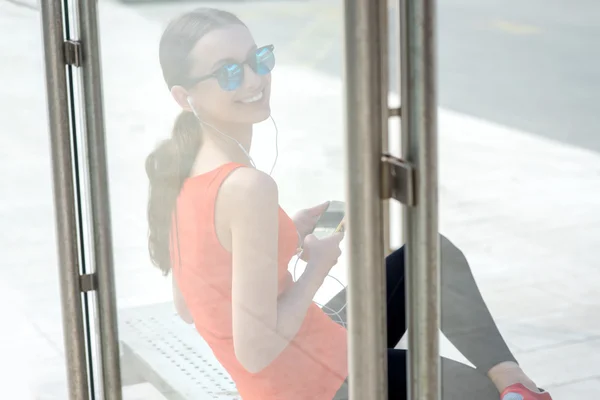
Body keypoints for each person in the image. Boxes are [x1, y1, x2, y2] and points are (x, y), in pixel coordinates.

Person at [145, 7, 553, 400]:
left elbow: (189, 304)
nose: (254, 79)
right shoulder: (247, 187)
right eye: (228, 72)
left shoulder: (183, 170)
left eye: (258, 59)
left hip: (311, 357)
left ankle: (512, 378)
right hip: (318, 385)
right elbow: (254, 352)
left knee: (428, 255)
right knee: (480, 394)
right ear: (185, 97)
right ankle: (511, 387)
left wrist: (285, 233)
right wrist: (317, 267)